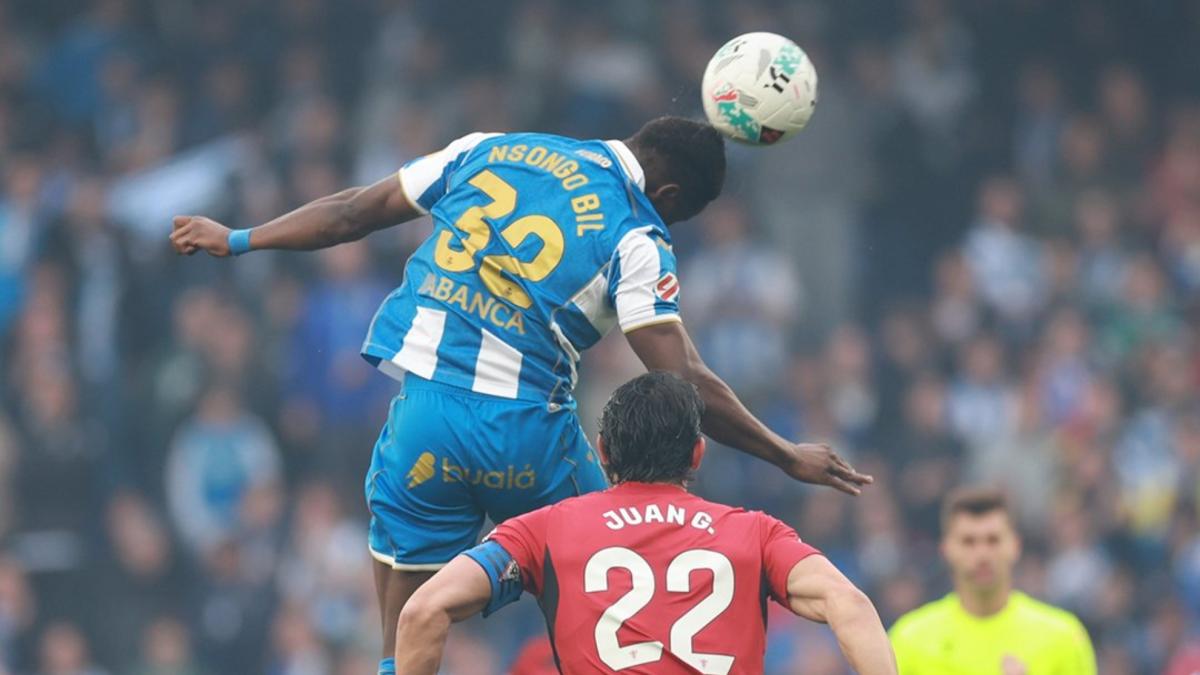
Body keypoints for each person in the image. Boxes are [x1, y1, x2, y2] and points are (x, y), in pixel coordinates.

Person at [169, 116, 872, 674]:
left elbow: (359, 208)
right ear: (668, 198)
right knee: (625, 548)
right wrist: (785, 454)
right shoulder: (637, 234)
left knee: (409, 615)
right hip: (526, 435)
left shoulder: (489, 148)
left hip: (424, 424)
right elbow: (683, 376)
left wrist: (241, 238)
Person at [396, 372, 896, 674]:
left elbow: (423, 611)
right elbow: (849, 604)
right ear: (697, 454)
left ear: (603, 451)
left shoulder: (542, 530)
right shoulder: (755, 533)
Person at [889, 487, 1096, 674]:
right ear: (946, 549)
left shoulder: (1063, 637)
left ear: (1015, 546)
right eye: (968, 541)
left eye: (993, 540)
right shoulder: (909, 640)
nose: (982, 554)